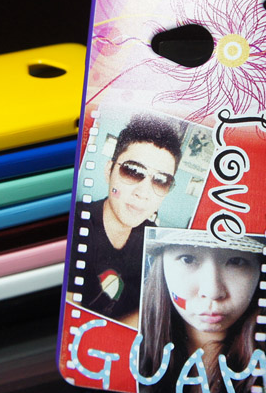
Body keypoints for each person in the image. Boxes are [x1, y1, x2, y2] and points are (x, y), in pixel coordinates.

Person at [68, 115, 182, 321]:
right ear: (109, 171)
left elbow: (151, 311)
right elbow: (68, 321)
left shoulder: (156, 242)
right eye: (132, 171)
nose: (143, 193)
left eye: (161, 181)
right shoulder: (74, 225)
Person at [138, 229, 266, 393]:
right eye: (188, 259)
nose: (212, 291)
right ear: (161, 267)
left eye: (236, 261)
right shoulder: (128, 348)